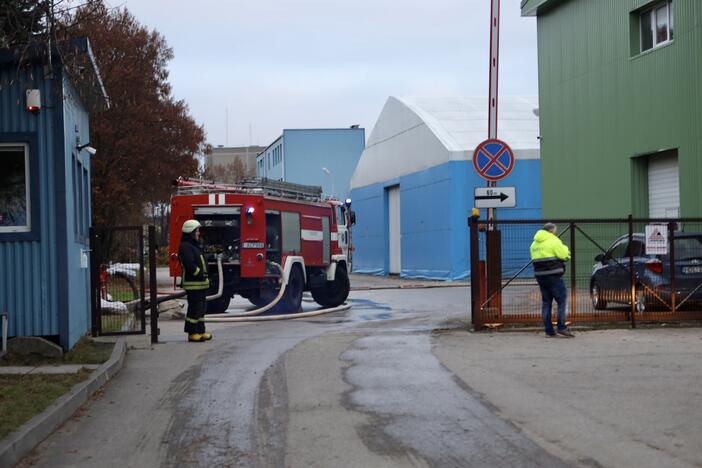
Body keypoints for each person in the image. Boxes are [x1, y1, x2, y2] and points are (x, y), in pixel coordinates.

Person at [530, 223, 574, 338]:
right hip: (554, 275)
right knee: (562, 301)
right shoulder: (554, 241)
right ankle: (561, 327)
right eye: (555, 231)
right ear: (552, 231)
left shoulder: (534, 244)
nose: (556, 233)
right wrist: (565, 250)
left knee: (546, 303)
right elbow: (565, 255)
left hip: (540, 276)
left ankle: (549, 331)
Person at [179, 219, 213, 342]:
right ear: (191, 232)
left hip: (201, 283)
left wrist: (206, 278)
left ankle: (200, 331)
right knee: (195, 308)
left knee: (202, 308)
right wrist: (199, 274)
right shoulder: (185, 247)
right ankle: (192, 333)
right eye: (197, 231)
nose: (199, 233)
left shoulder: (194, 246)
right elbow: (190, 265)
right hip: (193, 283)